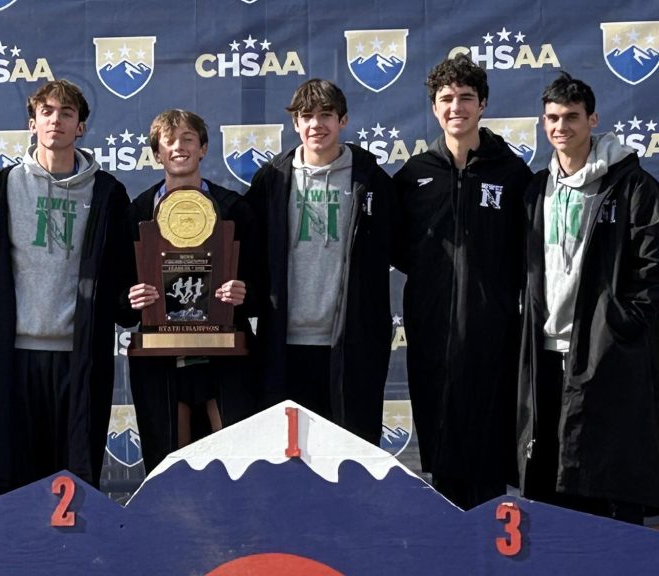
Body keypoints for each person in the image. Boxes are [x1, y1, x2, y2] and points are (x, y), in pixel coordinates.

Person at [0, 80, 136, 494]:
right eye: (48, 112)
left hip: (79, 357)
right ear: (32, 123)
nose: (56, 120)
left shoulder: (108, 193)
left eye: (67, 113)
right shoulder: (3, 187)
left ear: (82, 128)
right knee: (12, 480)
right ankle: (14, 559)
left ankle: (71, 559)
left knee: (73, 479)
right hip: (14, 356)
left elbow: (125, 271)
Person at [517, 72, 659, 524]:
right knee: (554, 478)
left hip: (604, 351)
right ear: (543, 124)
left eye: (572, 117)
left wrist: (619, 324)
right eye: (553, 118)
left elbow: (654, 268)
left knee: (604, 477)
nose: (562, 127)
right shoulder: (536, 189)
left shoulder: (633, 186)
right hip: (545, 351)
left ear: (593, 119)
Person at [392, 55, 531, 510]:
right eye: (446, 99)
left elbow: (528, 252)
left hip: (494, 334)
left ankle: (492, 550)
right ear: (434, 108)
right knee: (443, 450)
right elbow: (395, 249)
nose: (457, 107)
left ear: (483, 104)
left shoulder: (511, 174)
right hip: (432, 333)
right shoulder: (412, 177)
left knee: (489, 455)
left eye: (466, 98)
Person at [244, 78, 393, 446]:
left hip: (350, 344)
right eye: (306, 116)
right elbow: (248, 254)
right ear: (295, 123)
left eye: (326, 115)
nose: (316, 125)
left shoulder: (372, 181)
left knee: (349, 457)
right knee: (285, 458)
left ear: (343, 121)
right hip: (284, 343)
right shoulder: (272, 180)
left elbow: (398, 246)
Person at [126, 109, 259, 473]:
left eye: (188, 139)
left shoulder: (234, 208)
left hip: (225, 353)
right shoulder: (135, 212)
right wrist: (131, 298)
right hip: (160, 356)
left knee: (237, 462)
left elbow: (263, 278)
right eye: (169, 141)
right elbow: (117, 287)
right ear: (157, 154)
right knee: (169, 465)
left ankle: (241, 530)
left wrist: (245, 291)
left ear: (203, 149)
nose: (179, 147)